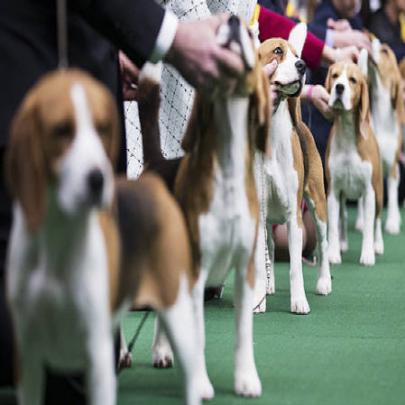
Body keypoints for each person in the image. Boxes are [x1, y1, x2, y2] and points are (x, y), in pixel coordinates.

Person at [0, 0, 245, 400]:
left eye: (102, 133)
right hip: (20, 70)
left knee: (86, 361)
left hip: (93, 53)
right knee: (24, 340)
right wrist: (171, 37)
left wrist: (116, 43)